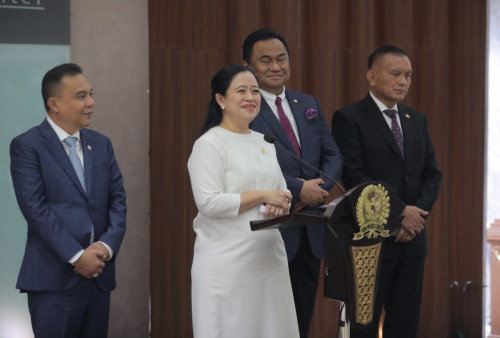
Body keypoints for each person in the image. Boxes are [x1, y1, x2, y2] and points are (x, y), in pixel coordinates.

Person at [331, 45, 442, 337]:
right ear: (371, 76)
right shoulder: (349, 118)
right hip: (371, 240)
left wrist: (416, 217)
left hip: (412, 239)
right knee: (363, 327)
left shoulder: (416, 119)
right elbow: (356, 176)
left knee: (404, 324)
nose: (403, 81)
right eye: (395, 74)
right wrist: (400, 213)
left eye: (408, 75)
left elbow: (431, 175)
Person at [10, 63, 127, 338]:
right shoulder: (28, 146)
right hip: (53, 280)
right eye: (81, 96)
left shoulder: (101, 144)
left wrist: (105, 248)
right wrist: (76, 256)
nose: (91, 103)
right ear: (54, 103)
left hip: (98, 275)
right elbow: (35, 210)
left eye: (91, 94)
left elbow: (118, 201)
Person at [242, 29, 344, 337]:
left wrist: (318, 190)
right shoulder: (245, 108)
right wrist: (298, 189)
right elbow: (245, 165)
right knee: (267, 320)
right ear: (247, 65)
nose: (276, 66)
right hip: (270, 229)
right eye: (266, 60)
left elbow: (332, 154)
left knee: (301, 319)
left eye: (281, 58)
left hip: (309, 228)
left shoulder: (307, 102)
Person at [187, 64, 299, 338]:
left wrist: (277, 204)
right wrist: (263, 196)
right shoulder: (209, 144)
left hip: (267, 260)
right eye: (241, 91)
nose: (251, 97)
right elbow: (209, 203)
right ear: (221, 99)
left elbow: (283, 193)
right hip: (227, 265)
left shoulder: (265, 142)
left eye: (254, 91)